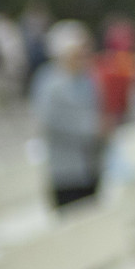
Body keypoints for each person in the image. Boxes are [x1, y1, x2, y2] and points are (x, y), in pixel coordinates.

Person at [29, 20, 105, 207]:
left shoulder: (87, 79)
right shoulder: (49, 81)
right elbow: (50, 120)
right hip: (66, 170)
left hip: (91, 164)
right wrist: (92, 128)